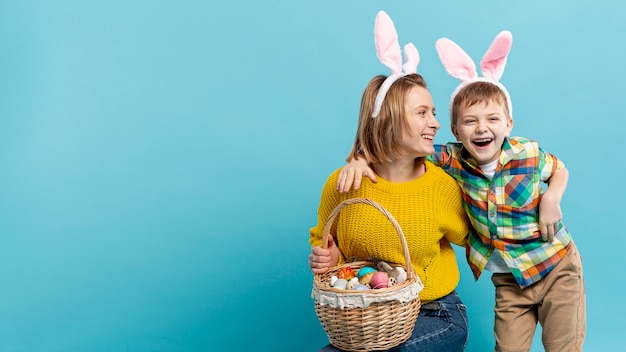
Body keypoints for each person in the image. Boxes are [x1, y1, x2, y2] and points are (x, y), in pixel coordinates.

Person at [338, 30, 586, 352]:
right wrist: (359, 157)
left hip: (557, 267)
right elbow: (397, 146)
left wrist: (551, 198)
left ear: (509, 124)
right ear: (456, 130)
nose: (482, 128)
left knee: (563, 346)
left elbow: (560, 170)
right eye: (470, 121)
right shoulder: (453, 160)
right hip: (510, 279)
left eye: (493, 119)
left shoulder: (527, 152)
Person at [309, 11, 471, 352]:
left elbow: (478, 236)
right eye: (422, 113)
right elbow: (324, 241)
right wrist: (329, 256)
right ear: (388, 120)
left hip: (437, 313)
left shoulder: (443, 186)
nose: (436, 123)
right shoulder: (343, 184)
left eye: (434, 112)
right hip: (370, 320)